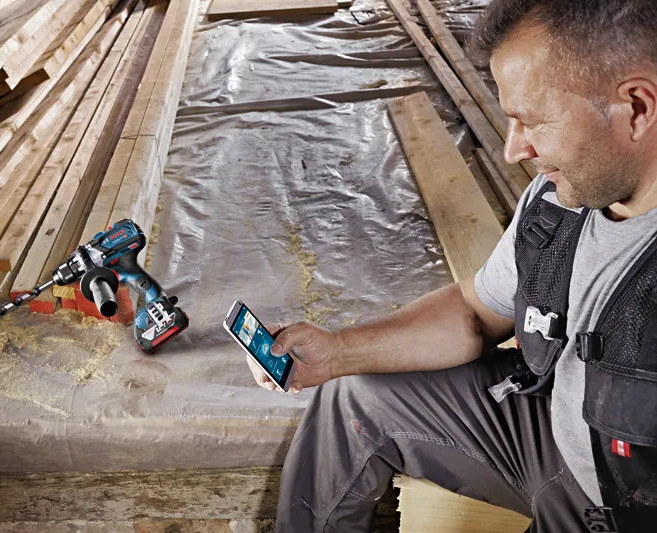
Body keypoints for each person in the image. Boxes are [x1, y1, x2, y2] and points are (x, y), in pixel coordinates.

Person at [246, 0, 657, 531]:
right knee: (357, 396)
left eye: (532, 121)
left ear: (637, 107)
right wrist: (336, 354)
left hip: (632, 507)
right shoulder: (561, 204)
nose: (513, 150)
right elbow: (473, 312)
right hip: (551, 431)